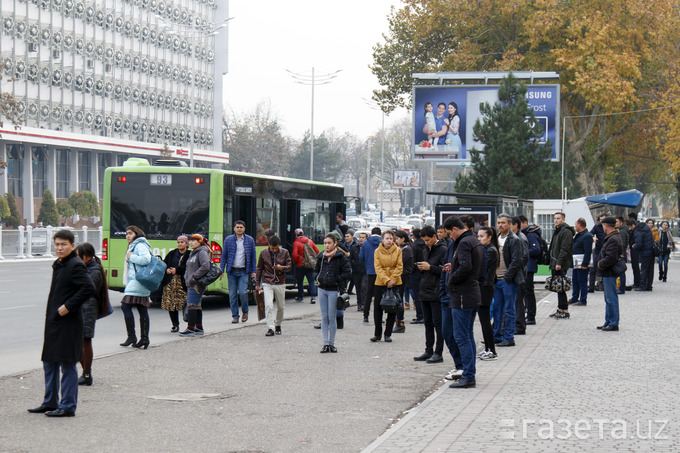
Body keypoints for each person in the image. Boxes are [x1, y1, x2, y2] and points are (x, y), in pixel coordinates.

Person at [28, 230, 94, 417]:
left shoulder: (75, 264)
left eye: (63, 244)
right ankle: (50, 402)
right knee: (49, 361)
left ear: (72, 246)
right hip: (54, 322)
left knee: (67, 364)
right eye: (57, 244)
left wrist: (69, 306)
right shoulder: (60, 264)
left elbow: (88, 287)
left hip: (69, 323)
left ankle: (67, 406)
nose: (59, 247)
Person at [446, 217, 484, 389]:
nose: (450, 238)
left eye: (449, 234)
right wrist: (453, 268)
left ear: (454, 229)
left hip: (463, 294)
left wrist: (451, 279)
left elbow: (466, 267)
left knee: (461, 336)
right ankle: (469, 373)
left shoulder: (463, 243)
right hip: (472, 292)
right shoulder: (472, 240)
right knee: (467, 335)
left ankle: (468, 375)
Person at [75, 242, 109, 386]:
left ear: (86, 256)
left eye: (78, 256)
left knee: (85, 340)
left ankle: (87, 374)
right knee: (80, 340)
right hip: (83, 306)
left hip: (88, 307)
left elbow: (88, 289)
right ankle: (85, 372)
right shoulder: (89, 267)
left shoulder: (93, 270)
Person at [413, 225, 446, 363]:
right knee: (428, 323)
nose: (426, 243)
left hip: (436, 291)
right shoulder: (426, 249)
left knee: (438, 323)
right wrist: (422, 268)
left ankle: (439, 352)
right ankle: (428, 350)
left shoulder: (443, 249)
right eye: (424, 241)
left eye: (428, 240)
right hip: (425, 289)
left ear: (434, 237)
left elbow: (446, 270)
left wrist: (430, 267)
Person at [313, 234, 351, 353]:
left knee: (332, 317)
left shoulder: (340, 257)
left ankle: (332, 343)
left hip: (334, 290)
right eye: (325, 243)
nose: (327, 245)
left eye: (329, 243)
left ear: (335, 243)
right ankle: (325, 343)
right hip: (322, 288)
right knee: (324, 317)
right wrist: (318, 277)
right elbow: (315, 270)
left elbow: (348, 273)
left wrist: (336, 278)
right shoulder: (321, 257)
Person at [119, 225, 153, 349]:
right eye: (126, 234)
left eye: (130, 233)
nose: (128, 236)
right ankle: (144, 338)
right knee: (142, 309)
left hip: (138, 280)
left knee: (125, 306)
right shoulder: (134, 245)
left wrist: (131, 256)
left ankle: (132, 337)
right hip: (137, 281)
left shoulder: (140, 245)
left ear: (136, 234)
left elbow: (146, 259)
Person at [493, 214, 523, 346]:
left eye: (503, 223)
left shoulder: (514, 240)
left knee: (509, 309)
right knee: (497, 309)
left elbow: (517, 261)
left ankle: (509, 337)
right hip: (497, 280)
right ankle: (496, 335)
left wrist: (506, 278)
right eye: (499, 222)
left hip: (508, 281)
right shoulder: (496, 238)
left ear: (510, 224)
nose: (500, 225)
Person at [220, 220, 257, 324]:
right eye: (237, 227)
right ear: (234, 228)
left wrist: (253, 271)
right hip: (231, 271)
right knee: (232, 295)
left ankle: (245, 312)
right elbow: (224, 256)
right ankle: (235, 316)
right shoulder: (228, 240)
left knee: (243, 293)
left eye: (241, 227)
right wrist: (221, 270)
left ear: (244, 229)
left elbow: (253, 256)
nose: (239, 229)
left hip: (244, 271)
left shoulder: (249, 240)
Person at [255, 235, 292, 336]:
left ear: (279, 246)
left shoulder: (285, 252)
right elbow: (259, 268)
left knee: (281, 307)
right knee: (268, 305)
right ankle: (270, 328)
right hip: (267, 282)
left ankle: (278, 324)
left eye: (276, 248)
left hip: (280, 282)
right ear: (269, 245)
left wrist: (282, 267)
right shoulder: (263, 253)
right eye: (272, 248)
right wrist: (257, 283)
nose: (274, 250)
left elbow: (289, 266)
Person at [371, 230, 403, 343]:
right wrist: (386, 279)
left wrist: (393, 279)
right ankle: (377, 334)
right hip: (380, 282)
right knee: (378, 309)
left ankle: (388, 334)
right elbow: (377, 267)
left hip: (395, 282)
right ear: (382, 239)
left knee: (392, 308)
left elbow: (399, 266)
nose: (389, 241)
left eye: (390, 238)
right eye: (386, 238)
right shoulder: (377, 251)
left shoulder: (398, 250)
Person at [179, 234, 211, 337]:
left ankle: (190, 329)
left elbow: (205, 266)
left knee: (191, 305)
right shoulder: (194, 253)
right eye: (190, 241)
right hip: (191, 283)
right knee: (197, 306)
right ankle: (199, 328)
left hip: (196, 284)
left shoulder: (201, 252)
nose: (191, 243)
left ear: (200, 242)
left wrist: (194, 277)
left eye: (194, 241)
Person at [597, 217, 623, 331]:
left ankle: (613, 322)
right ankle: (608, 321)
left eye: (603, 225)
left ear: (606, 225)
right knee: (608, 298)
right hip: (608, 271)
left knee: (611, 298)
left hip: (609, 271)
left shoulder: (613, 238)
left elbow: (611, 258)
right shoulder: (613, 237)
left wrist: (600, 264)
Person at [476, 226, 498, 360]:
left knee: (485, 320)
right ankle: (488, 348)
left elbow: (482, 269)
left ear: (489, 237)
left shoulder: (490, 251)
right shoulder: (486, 249)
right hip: (483, 286)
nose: (479, 239)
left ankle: (491, 349)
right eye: (478, 236)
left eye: (482, 236)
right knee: (483, 320)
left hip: (485, 287)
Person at [161, 235, 191, 332]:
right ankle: (175, 325)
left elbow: (189, 268)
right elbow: (164, 264)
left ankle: (189, 325)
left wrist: (177, 270)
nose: (180, 244)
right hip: (170, 283)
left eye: (182, 242)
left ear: (187, 244)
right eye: (178, 242)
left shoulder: (190, 254)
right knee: (171, 304)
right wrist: (167, 270)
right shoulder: (172, 253)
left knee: (185, 304)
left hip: (183, 283)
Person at [548, 212, 575, 319]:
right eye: (555, 218)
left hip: (561, 263)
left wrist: (559, 262)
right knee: (557, 286)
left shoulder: (566, 231)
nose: (556, 220)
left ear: (563, 219)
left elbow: (565, 249)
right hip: (555, 262)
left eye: (558, 218)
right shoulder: (557, 231)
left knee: (562, 286)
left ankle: (565, 309)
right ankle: (560, 309)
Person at [519, 215, 542, 325]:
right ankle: (528, 313)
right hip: (526, 266)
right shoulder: (524, 234)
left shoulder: (530, 234)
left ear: (524, 223)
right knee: (525, 292)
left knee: (528, 291)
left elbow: (536, 249)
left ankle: (531, 316)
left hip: (529, 266)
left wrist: (523, 253)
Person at [510, 217, 529, 335]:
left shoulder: (520, 238)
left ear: (515, 225)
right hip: (517, 274)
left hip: (519, 274)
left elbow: (524, 257)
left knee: (518, 301)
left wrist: (514, 269)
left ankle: (520, 326)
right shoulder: (515, 237)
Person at [360, 227, 382, 323]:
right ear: (380, 234)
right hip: (381, 272)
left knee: (368, 294)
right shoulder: (383, 243)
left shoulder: (365, 243)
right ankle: (378, 317)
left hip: (370, 271)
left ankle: (366, 316)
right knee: (379, 294)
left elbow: (361, 257)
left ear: (371, 233)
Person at [393, 230, 413, 333]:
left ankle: (400, 322)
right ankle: (397, 320)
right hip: (399, 277)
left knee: (399, 300)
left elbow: (399, 262)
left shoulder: (406, 249)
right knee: (397, 299)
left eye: (397, 239)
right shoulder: (401, 248)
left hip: (403, 277)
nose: (395, 241)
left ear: (403, 239)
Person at [292, 228, 319, 304]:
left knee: (300, 281)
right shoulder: (310, 241)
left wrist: (295, 262)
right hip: (309, 264)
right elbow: (316, 251)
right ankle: (313, 297)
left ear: (296, 235)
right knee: (311, 280)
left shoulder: (296, 243)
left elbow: (295, 255)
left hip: (300, 265)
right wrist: (312, 259)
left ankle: (301, 296)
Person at [570, 218, 592, 306]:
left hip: (582, 263)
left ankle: (583, 299)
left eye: (576, 225)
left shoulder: (587, 236)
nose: (575, 227)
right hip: (576, 263)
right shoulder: (578, 235)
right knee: (575, 281)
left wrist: (585, 264)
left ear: (579, 225)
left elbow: (588, 251)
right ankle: (574, 297)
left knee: (582, 281)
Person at [633, 217, 654, 291]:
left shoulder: (639, 231)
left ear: (633, 225)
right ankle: (649, 285)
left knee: (644, 269)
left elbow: (639, 244)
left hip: (645, 252)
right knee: (650, 269)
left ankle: (642, 285)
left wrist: (634, 247)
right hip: (651, 251)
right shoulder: (647, 229)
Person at [409, 228, 425, 324]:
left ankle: (420, 315)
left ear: (414, 236)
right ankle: (422, 315)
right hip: (423, 271)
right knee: (422, 295)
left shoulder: (414, 246)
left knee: (416, 295)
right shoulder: (425, 245)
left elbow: (412, 260)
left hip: (415, 273)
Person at [588, 214, 606, 292]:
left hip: (606, 250)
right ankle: (591, 287)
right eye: (600, 219)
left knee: (606, 268)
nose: (601, 221)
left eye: (603, 219)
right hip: (598, 249)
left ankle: (604, 286)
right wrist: (593, 237)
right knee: (593, 268)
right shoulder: (597, 227)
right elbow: (590, 233)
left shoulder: (609, 227)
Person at [350, 232, 367, 311]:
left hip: (365, 270)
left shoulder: (368, 247)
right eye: (360, 237)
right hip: (356, 270)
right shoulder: (354, 247)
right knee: (358, 288)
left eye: (363, 237)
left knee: (364, 287)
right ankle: (359, 304)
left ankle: (363, 304)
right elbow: (350, 258)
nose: (361, 239)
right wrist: (350, 267)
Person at [615, 216, 630, 294]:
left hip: (620, 254)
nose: (615, 223)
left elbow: (622, 244)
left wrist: (619, 252)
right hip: (619, 254)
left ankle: (621, 288)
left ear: (621, 222)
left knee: (621, 271)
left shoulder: (622, 232)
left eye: (616, 222)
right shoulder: (619, 230)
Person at [627, 213, 641, 288]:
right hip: (634, 250)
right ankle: (637, 282)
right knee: (635, 267)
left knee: (636, 267)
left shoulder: (637, 231)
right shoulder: (637, 229)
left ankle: (637, 282)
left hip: (635, 251)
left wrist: (633, 245)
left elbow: (637, 240)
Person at [343, 229, 358, 294]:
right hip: (346, 263)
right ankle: (344, 290)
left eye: (348, 236)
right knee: (346, 277)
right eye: (345, 236)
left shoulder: (356, 244)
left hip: (354, 263)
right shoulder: (344, 244)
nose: (346, 238)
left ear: (352, 237)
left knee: (353, 278)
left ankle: (349, 290)